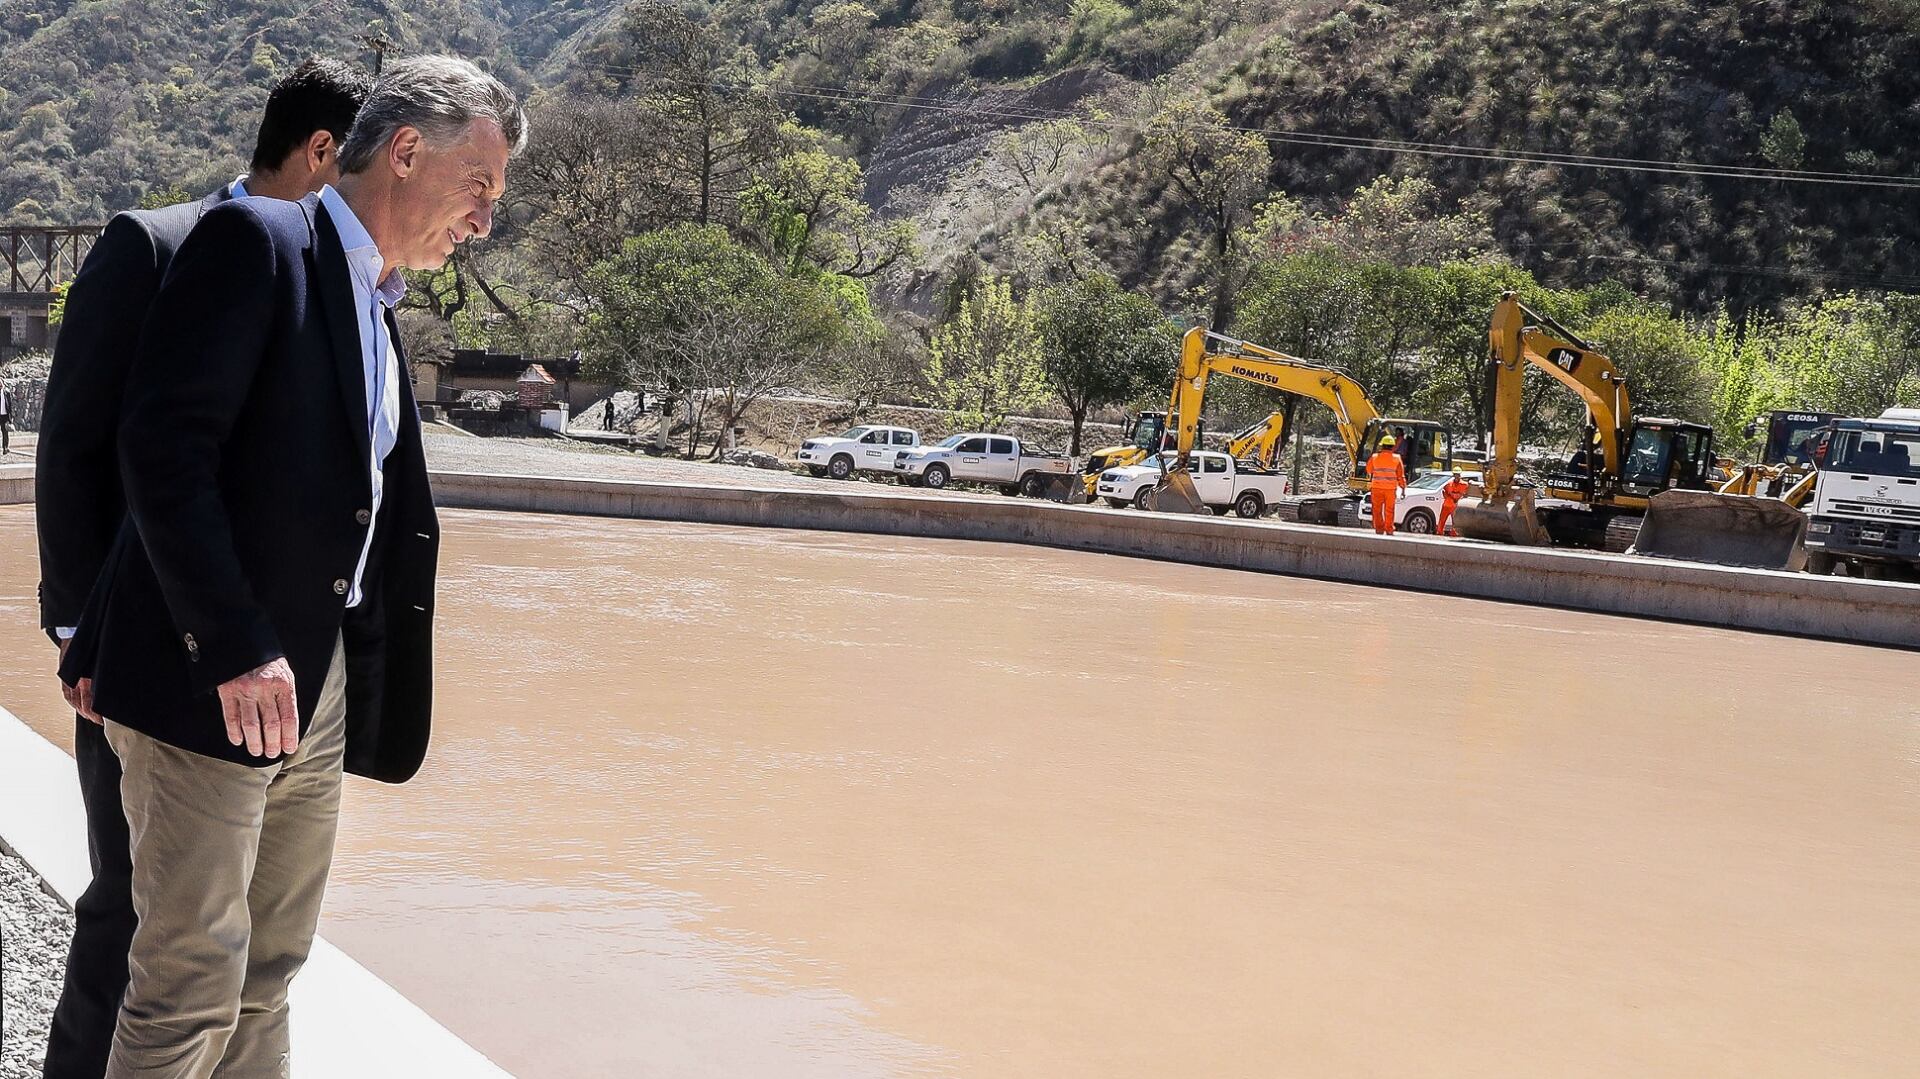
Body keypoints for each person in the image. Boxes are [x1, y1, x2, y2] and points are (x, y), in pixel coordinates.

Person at [57, 55, 524, 1078]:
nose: (485, 219)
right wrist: (233, 644)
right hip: (214, 681)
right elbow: (162, 451)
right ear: (406, 151)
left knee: (269, 965)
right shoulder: (258, 240)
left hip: (312, 687)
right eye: (479, 186)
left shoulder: (376, 296)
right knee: (189, 977)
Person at [35, 57, 371, 1079]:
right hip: (134, 650)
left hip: (264, 669)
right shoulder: (155, 242)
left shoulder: (342, 284)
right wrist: (79, 637)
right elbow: (81, 448)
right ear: (323, 154)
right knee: (130, 907)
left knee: (241, 941)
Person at [1366, 434, 1407, 535]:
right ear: (1393, 446)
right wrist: (1403, 489)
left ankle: (1379, 529)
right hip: (1390, 489)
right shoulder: (1397, 458)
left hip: (1376, 488)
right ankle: (1389, 529)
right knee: (1389, 510)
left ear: (1382, 445)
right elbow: (1400, 475)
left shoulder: (1375, 457)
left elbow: (1369, 470)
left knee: (1377, 510)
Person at [1439, 469, 1471, 536]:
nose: (1456, 476)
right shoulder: (1449, 484)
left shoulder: (1465, 485)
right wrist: (1447, 498)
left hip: (1456, 506)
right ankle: (1440, 532)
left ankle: (1454, 534)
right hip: (1447, 505)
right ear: (1453, 475)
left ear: (1460, 475)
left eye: (1458, 475)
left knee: (1455, 521)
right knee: (1442, 520)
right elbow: (1444, 492)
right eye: (1455, 475)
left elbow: (1466, 495)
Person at [1, 380, 12, 454]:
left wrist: (10, 417)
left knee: (5, 433)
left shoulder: (6, 393)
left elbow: (10, 405)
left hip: (5, 416)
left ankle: (5, 448)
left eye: (1, 383)